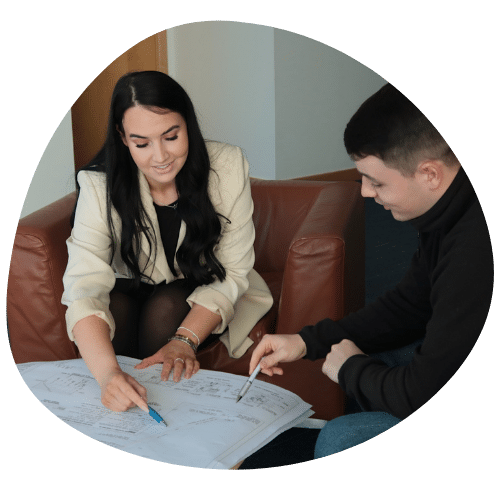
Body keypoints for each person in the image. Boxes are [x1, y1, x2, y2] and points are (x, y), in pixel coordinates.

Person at [248, 83, 493, 461]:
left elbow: (420, 395)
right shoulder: (447, 210)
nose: (364, 192)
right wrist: (307, 341)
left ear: (430, 174)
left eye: (376, 181)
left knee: (340, 440)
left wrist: (351, 370)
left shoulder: (475, 251)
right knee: (374, 354)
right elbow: (410, 305)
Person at [62, 71, 273, 414]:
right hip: (129, 285)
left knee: (165, 309)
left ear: (187, 125)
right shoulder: (99, 183)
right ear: (123, 137)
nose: (160, 156)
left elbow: (233, 271)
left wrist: (184, 339)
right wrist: (108, 375)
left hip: (204, 287)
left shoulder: (228, 165)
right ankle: (127, 409)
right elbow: (83, 288)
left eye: (171, 136)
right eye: (141, 143)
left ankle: (170, 418)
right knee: (115, 310)